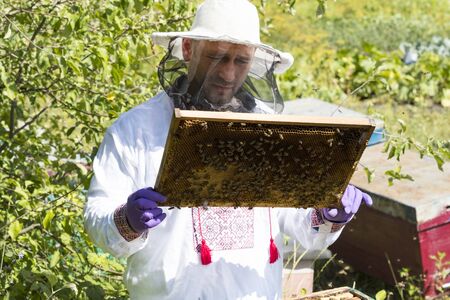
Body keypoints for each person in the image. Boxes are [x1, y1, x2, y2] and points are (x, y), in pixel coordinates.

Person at [84, 0, 373, 299]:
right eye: (217, 57)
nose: (228, 74)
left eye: (241, 61)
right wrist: (126, 220)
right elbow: (97, 217)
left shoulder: (267, 125)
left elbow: (297, 221)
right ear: (187, 49)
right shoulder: (136, 129)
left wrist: (327, 213)